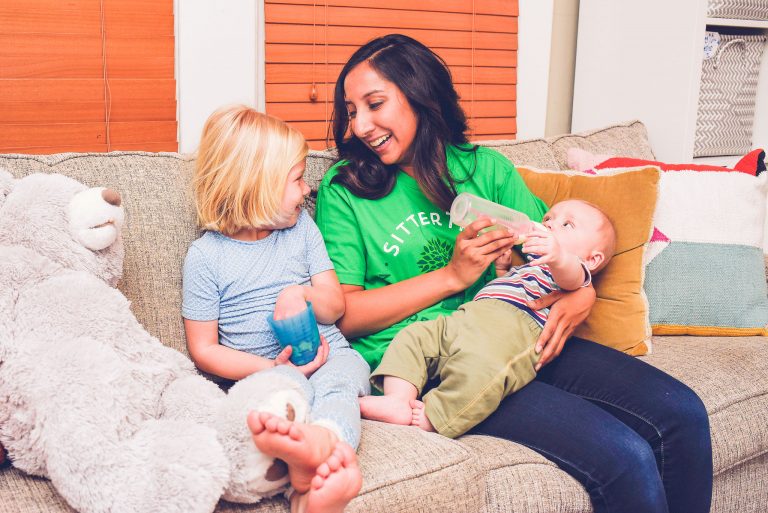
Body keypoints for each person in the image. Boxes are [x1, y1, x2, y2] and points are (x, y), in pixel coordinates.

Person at [315, 34, 712, 513]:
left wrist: (581, 291)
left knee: (682, 413)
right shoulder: (346, 191)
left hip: (524, 331)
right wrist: (453, 276)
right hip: (441, 361)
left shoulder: (485, 169)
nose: (359, 125)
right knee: (623, 456)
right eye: (351, 111)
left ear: (419, 94)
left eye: (374, 104)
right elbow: (346, 316)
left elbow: (555, 248)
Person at [182, 105, 369, 513]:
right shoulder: (205, 257)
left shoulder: (302, 229)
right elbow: (204, 350)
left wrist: (299, 293)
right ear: (255, 185)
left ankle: (323, 445)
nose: (307, 190)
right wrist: (275, 370)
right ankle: (306, 485)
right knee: (281, 403)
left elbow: (336, 306)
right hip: (269, 374)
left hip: (330, 354)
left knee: (342, 378)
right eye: (297, 179)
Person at [361, 199, 616, 439]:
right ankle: (397, 398)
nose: (549, 224)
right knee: (414, 337)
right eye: (549, 217)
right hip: (469, 316)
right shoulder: (529, 268)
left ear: (591, 259)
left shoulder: (573, 269)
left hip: (509, 331)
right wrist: (503, 271)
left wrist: (559, 256)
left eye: (566, 224)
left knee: (482, 370)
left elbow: (572, 278)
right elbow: (504, 289)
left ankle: (436, 416)